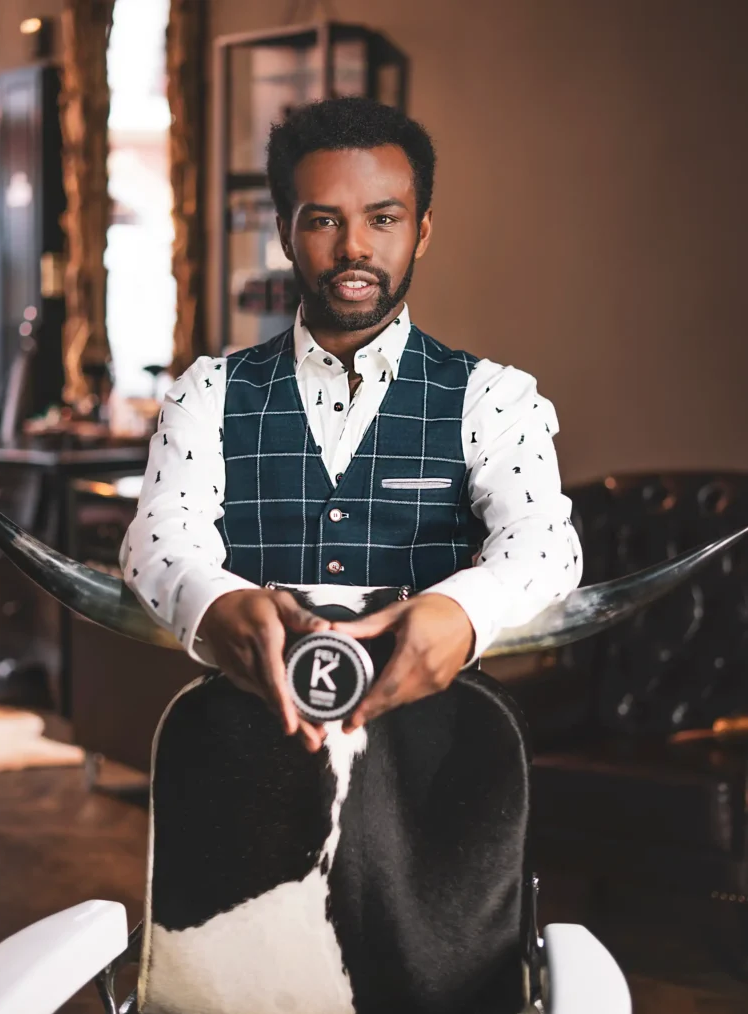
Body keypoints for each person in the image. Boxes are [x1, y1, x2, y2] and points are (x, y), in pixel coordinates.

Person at [121, 96, 582, 753]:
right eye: (323, 220)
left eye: (382, 218)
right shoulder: (206, 395)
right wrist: (216, 602)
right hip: (247, 755)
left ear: (420, 231)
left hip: (431, 766)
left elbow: (546, 545)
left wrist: (463, 608)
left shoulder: (493, 398)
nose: (354, 246)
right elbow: (157, 538)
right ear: (284, 232)